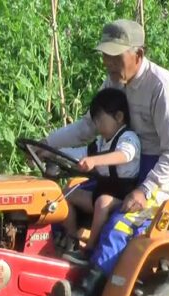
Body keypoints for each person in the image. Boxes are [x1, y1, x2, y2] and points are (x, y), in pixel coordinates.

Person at [46, 19, 169, 296]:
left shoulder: (162, 88)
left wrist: (144, 190)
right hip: (126, 166)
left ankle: (82, 295)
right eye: (105, 56)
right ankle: (57, 267)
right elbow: (90, 127)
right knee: (59, 199)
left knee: (120, 225)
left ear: (138, 55)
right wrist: (45, 144)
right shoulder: (115, 83)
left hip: (166, 173)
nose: (108, 64)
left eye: (115, 57)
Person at [60, 88, 141, 266]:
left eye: (100, 120)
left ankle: (89, 249)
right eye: (94, 121)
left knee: (102, 202)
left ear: (119, 117)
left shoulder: (128, 137)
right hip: (101, 190)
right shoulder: (101, 142)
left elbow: (124, 155)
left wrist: (95, 161)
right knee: (64, 195)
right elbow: (80, 153)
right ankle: (72, 240)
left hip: (122, 197)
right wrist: (54, 153)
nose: (97, 126)